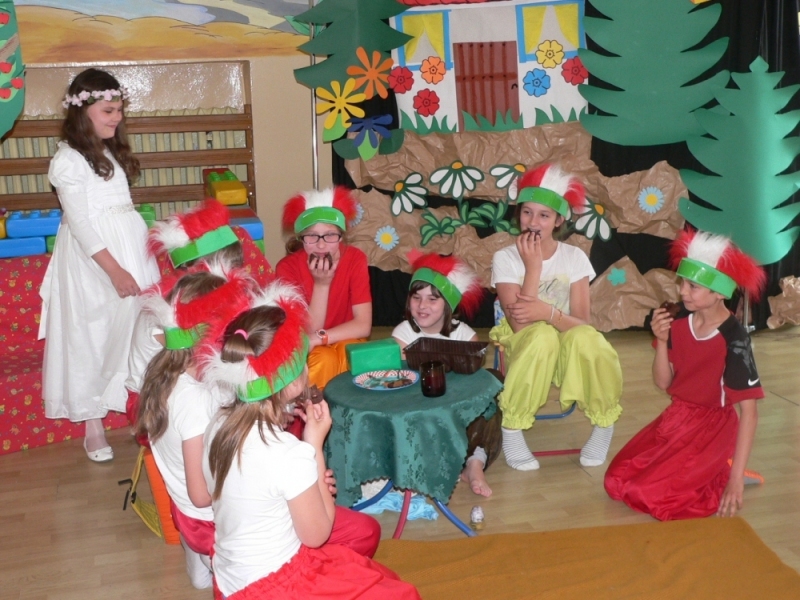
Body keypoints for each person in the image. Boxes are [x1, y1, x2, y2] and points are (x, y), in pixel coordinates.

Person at [202, 283, 420, 599]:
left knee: (373, 570)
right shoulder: (288, 453)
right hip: (274, 586)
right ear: (293, 381)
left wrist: (310, 480)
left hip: (230, 579)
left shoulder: (218, 423)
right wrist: (313, 446)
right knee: (401, 593)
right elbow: (317, 536)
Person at [39, 68, 159, 462]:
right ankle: (92, 425)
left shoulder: (107, 151)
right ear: (82, 111)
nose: (116, 117)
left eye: (119, 110)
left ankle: (140, 407)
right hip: (96, 259)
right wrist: (115, 270)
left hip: (128, 247)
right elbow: (81, 224)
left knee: (136, 327)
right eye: (108, 111)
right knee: (91, 334)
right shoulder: (69, 160)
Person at [605, 230, 765, 520]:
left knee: (648, 496)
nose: (682, 291)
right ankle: (714, 468)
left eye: (693, 286)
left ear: (719, 293)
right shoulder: (678, 319)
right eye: (682, 283)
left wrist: (735, 481)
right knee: (616, 481)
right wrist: (661, 341)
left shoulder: (734, 339)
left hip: (712, 428)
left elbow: (750, 414)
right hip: (677, 418)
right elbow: (663, 382)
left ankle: (724, 471)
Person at [489, 163, 623, 471]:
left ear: (559, 220)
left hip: (565, 339)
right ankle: (513, 428)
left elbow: (583, 322)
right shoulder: (505, 258)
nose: (533, 222)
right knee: (542, 335)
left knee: (589, 339)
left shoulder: (574, 257)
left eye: (544, 215)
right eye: (527, 212)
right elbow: (520, 323)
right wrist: (533, 267)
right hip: (525, 342)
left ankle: (603, 424)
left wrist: (547, 312)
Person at [121, 199, 261, 437]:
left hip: (190, 390)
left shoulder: (206, 298)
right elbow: (201, 367)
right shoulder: (170, 312)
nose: (235, 277)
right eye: (227, 270)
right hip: (156, 406)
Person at [392, 251, 501, 497]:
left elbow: (473, 383)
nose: (422, 306)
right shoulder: (403, 334)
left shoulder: (465, 335)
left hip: (458, 408)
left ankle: (474, 464)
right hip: (419, 409)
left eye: (432, 299)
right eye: (416, 298)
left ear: (448, 304)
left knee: (492, 385)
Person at [276, 187, 372, 389]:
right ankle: (316, 407)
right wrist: (322, 284)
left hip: (343, 338)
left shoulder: (355, 259)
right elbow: (308, 330)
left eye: (329, 235)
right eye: (312, 236)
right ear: (301, 238)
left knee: (349, 353)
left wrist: (320, 338)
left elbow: (363, 325)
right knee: (323, 359)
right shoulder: (287, 268)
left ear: (341, 236)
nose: (321, 245)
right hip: (310, 346)